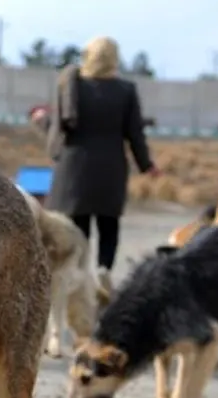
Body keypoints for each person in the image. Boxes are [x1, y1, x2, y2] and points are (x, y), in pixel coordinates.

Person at [45, 35, 155, 288]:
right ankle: (104, 270)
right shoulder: (126, 90)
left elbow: (61, 127)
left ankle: (80, 278)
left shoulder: (70, 85)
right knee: (109, 226)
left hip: (75, 168)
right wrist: (146, 165)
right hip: (111, 168)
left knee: (78, 228)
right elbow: (135, 133)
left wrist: (41, 119)